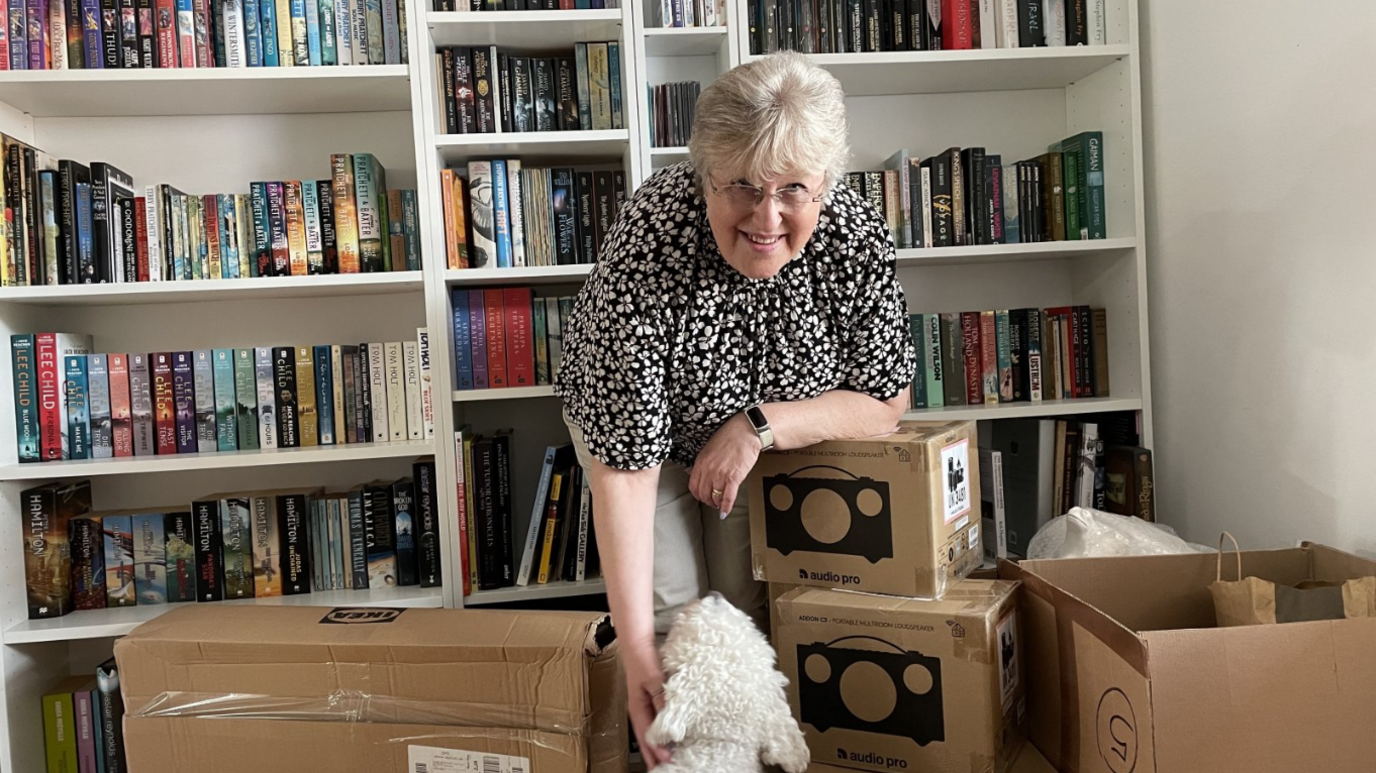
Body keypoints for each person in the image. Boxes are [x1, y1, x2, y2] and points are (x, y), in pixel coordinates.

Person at [553, 50, 916, 768]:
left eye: (793, 190)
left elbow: (885, 395)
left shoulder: (854, 233)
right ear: (704, 175)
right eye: (741, 185)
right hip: (634, 429)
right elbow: (626, 469)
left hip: (752, 434)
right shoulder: (654, 234)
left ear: (827, 185)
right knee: (673, 632)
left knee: (743, 611)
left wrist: (756, 425)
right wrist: (635, 655)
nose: (765, 215)